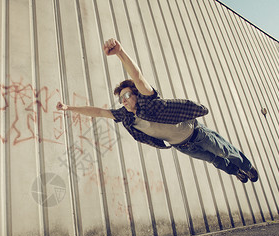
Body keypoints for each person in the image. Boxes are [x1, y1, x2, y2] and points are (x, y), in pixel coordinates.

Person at [56, 38, 258, 183]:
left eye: (127, 95)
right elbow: (99, 112)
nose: (124, 101)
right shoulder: (126, 117)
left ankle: (247, 167)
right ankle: (236, 171)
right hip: (183, 146)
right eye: (121, 99)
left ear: (135, 94)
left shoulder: (148, 101)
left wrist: (119, 52)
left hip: (198, 134)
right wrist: (68, 108)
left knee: (223, 151)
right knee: (214, 159)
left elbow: (137, 76)